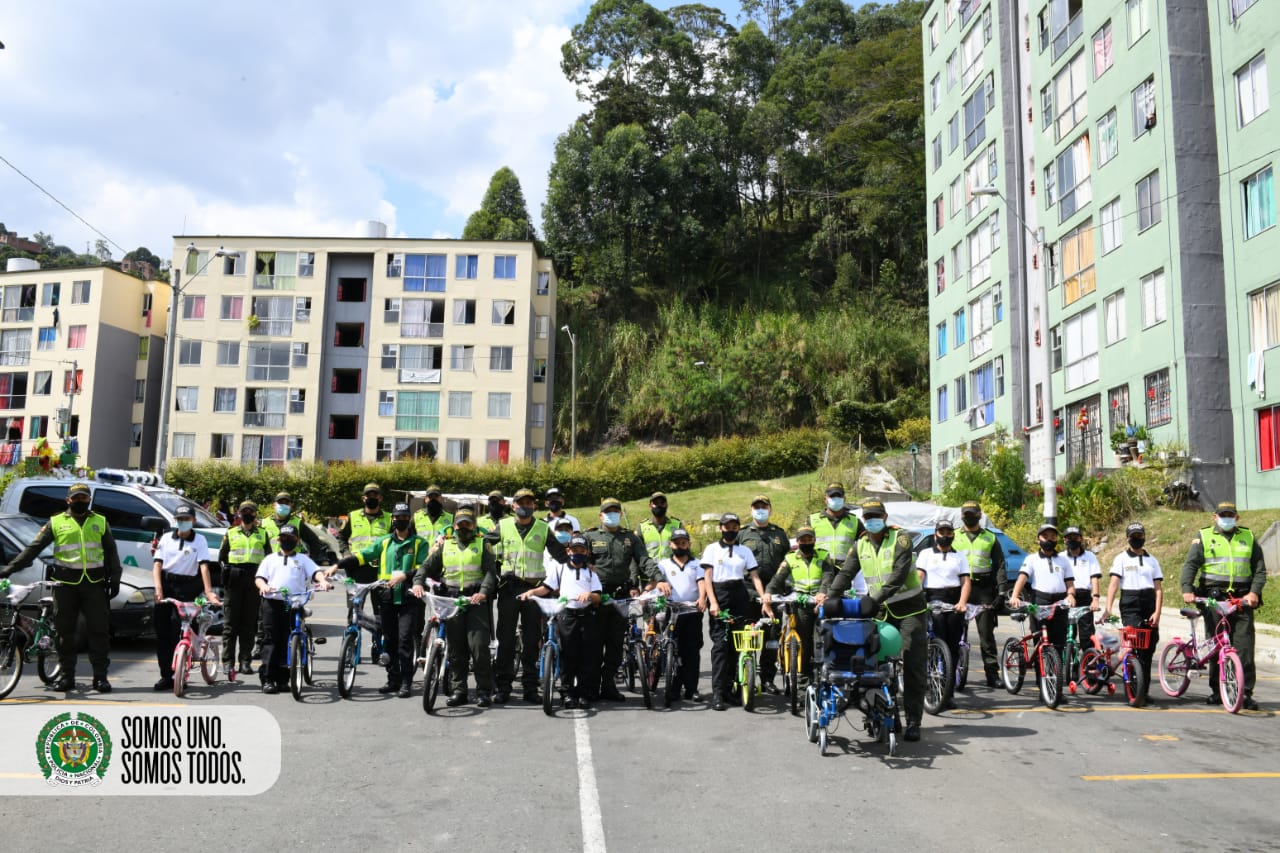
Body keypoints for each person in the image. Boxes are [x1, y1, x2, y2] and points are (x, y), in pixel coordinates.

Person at [0, 482, 123, 693]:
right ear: (68, 500)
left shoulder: (100, 521)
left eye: (84, 498)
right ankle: (67, 677)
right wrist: (9, 569)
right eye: (76, 498)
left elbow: (111, 551)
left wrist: (115, 576)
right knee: (65, 633)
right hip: (65, 585)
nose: (80, 501)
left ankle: (100, 678)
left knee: (99, 632)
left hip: (94, 584)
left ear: (89, 500)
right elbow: (34, 548)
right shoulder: (55, 522)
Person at [825, 499, 927, 741]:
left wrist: (875, 599)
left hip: (909, 610)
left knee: (912, 662)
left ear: (885, 517)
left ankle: (914, 720)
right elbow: (846, 572)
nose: (872, 520)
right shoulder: (860, 543)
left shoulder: (900, 538)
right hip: (880, 612)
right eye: (868, 517)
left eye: (876, 516)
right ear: (864, 520)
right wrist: (830, 598)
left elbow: (899, 575)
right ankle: (887, 712)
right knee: (877, 664)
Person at [1180, 501, 1266, 711]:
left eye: (1230, 515)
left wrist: (1254, 592)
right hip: (1213, 598)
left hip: (1241, 599)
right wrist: (1187, 589)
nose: (1226, 518)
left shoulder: (1248, 536)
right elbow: (1191, 564)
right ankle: (1218, 691)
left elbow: (1259, 569)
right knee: (1216, 644)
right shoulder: (1204, 536)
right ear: (1215, 517)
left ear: (1237, 517)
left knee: (1244, 647)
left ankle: (1244, 693)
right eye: (1223, 515)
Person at [338, 503, 429, 698]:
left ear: (409, 519)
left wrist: (405, 575)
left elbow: (423, 568)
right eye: (397, 517)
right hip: (387, 598)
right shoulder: (384, 541)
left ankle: (406, 682)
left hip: (408, 598)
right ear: (393, 519)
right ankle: (393, 679)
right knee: (389, 640)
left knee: (405, 640)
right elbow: (363, 555)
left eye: (404, 517)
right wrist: (336, 565)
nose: (400, 520)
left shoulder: (419, 543)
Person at [412, 508, 498, 707]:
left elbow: (490, 572)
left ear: (473, 525)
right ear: (454, 526)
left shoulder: (482, 544)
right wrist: (418, 582)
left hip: (475, 600)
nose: (463, 527)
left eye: (467, 523)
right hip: (451, 600)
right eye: (460, 524)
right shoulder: (445, 545)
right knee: (456, 649)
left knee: (479, 647)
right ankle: (459, 691)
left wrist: (483, 592)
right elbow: (426, 566)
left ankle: (484, 691)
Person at [583, 498, 667, 702]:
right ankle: (591, 687)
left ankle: (608, 685)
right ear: (600, 515)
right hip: (597, 597)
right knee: (593, 645)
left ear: (620, 514)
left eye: (615, 511)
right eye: (608, 511)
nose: (612, 515)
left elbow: (644, 560)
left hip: (620, 598)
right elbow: (580, 560)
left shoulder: (630, 538)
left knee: (615, 645)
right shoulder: (590, 536)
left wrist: (659, 579)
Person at [494, 487, 568, 704]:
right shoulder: (503, 526)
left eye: (529, 503)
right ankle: (503, 687)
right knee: (506, 640)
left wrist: (581, 567)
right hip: (508, 589)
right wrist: (445, 540)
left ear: (534, 505)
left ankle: (530, 687)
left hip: (534, 591)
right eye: (521, 503)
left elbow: (561, 555)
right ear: (513, 506)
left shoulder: (543, 528)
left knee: (531, 641)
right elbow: (481, 542)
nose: (525, 507)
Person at [521, 533, 602, 709]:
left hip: (586, 615)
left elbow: (598, 596)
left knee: (587, 655)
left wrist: (590, 595)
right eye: (574, 549)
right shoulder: (560, 569)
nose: (578, 552)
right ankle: (567, 693)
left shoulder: (591, 572)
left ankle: (583, 693)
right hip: (567, 615)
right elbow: (546, 588)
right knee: (568, 654)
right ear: (568, 551)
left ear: (587, 552)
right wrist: (532, 592)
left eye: (581, 550)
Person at [254, 525, 332, 694]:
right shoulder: (270, 559)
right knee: (271, 640)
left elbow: (316, 572)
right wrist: (263, 586)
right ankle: (268, 679)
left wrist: (323, 581)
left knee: (287, 640)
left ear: (297, 541)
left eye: (290, 538)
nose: (286, 541)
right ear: (278, 540)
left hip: (294, 604)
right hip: (272, 603)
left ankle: (283, 680)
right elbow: (259, 578)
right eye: (283, 538)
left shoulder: (303, 559)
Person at [152, 504, 220, 691]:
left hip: (188, 587)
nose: (183, 522)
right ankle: (166, 675)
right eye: (180, 519)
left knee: (179, 628)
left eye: (187, 519)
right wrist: (158, 589)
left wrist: (208, 591)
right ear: (175, 520)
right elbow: (157, 565)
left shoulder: (200, 540)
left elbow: (204, 567)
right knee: (163, 633)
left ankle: (181, 671)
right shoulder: (166, 538)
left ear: (193, 521)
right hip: (166, 585)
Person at [702, 513, 765, 711]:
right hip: (720, 594)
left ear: (738, 528)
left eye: (734, 527)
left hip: (739, 594)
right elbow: (707, 578)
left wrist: (764, 598)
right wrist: (713, 602)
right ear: (721, 528)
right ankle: (718, 693)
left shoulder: (744, 550)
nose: (731, 530)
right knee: (721, 646)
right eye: (727, 526)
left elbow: (754, 576)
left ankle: (732, 690)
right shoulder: (712, 549)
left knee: (738, 645)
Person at [762, 525, 834, 689]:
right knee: (804, 642)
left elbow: (828, 576)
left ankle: (825, 676)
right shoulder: (790, 559)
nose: (806, 542)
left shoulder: (824, 555)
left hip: (820, 601)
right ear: (798, 541)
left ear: (814, 540)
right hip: (800, 603)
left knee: (822, 639)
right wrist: (768, 593)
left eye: (809, 539)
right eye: (803, 539)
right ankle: (803, 679)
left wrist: (822, 592)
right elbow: (777, 579)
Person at [737, 494, 790, 694]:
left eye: (764, 507)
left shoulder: (780, 534)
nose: (760, 510)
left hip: (774, 591)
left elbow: (788, 561)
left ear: (770, 510)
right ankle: (746, 675)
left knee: (772, 637)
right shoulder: (742, 534)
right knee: (748, 633)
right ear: (751, 510)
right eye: (757, 507)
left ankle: (767, 679)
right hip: (749, 591)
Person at [1103, 522, 1162, 702]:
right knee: (1135, 645)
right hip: (1130, 604)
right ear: (1127, 538)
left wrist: (1157, 612)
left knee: (1148, 648)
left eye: (1140, 536)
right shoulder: (1121, 559)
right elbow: (1114, 585)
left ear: (1144, 537)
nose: (1137, 539)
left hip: (1149, 603)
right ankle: (1134, 689)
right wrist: (1108, 608)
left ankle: (1144, 690)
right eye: (1133, 536)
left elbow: (1158, 589)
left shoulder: (1152, 560)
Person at [952, 500, 1008, 687]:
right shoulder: (954, 536)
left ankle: (992, 674)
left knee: (986, 634)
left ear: (979, 515)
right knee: (956, 633)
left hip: (983, 589)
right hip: (960, 589)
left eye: (972, 514)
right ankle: (952, 672)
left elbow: (1000, 565)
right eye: (966, 514)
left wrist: (1001, 592)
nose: (969, 517)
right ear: (962, 516)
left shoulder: (990, 537)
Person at [915, 519, 970, 709]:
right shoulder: (926, 554)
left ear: (953, 535)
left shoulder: (959, 557)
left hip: (954, 602)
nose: (945, 536)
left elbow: (965, 582)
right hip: (933, 598)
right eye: (942, 532)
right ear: (935, 534)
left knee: (952, 649)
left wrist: (962, 602)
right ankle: (928, 686)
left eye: (948, 533)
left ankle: (948, 693)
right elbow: (919, 577)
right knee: (933, 640)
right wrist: (917, 597)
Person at [655, 527, 708, 702]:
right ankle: (674, 688)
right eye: (676, 543)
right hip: (672, 611)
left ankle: (691, 689)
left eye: (683, 543)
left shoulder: (697, 564)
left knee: (691, 651)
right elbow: (655, 582)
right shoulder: (663, 564)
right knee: (673, 649)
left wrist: (702, 598)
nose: (680, 546)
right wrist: (654, 587)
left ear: (688, 544)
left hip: (692, 611)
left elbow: (701, 582)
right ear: (671, 545)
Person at [217, 500, 268, 675]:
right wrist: (228, 572)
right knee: (230, 624)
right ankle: (228, 662)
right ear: (239, 513)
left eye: (250, 511)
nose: (247, 514)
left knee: (249, 624)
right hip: (234, 579)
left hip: (254, 579)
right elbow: (222, 557)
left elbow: (268, 558)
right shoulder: (231, 532)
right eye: (244, 511)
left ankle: (245, 661)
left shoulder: (262, 534)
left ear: (255, 514)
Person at [1009, 523, 1076, 658]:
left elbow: (1070, 583)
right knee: (1040, 642)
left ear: (1056, 539)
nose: (1049, 540)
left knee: (1059, 643)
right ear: (1038, 539)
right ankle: (1040, 671)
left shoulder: (1063, 560)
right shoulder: (1032, 559)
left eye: (1052, 537)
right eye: (1045, 536)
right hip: (1039, 602)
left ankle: (1056, 670)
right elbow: (1022, 578)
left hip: (1059, 604)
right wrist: (1015, 596)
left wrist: (1071, 595)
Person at [1062, 525, 1102, 650]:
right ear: (1064, 540)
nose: (1073, 540)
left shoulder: (1090, 556)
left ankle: (1088, 660)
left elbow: (1094, 578)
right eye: (1070, 538)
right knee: (1068, 634)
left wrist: (1095, 598)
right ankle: (1068, 660)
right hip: (1067, 597)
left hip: (1085, 597)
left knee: (1087, 635)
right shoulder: (1060, 557)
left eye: (1076, 537)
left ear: (1081, 539)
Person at [808, 482, 863, 568]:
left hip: (844, 571)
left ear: (844, 499)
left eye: (839, 496)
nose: (836, 499)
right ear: (825, 499)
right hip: (820, 569)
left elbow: (866, 546)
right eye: (832, 496)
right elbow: (803, 546)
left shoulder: (855, 521)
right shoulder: (812, 520)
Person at [338, 483, 393, 558]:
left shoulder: (390, 518)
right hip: (357, 561)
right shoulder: (352, 516)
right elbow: (341, 537)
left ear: (380, 498)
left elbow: (397, 540)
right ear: (363, 498)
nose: (372, 498)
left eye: (375, 495)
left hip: (380, 561)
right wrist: (346, 553)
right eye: (369, 496)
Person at [638, 491, 682, 561]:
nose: (659, 505)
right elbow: (638, 553)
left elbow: (684, 549)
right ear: (650, 506)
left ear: (666, 505)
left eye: (662, 503)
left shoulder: (677, 525)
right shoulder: (642, 527)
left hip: (671, 566)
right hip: (650, 567)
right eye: (656, 503)